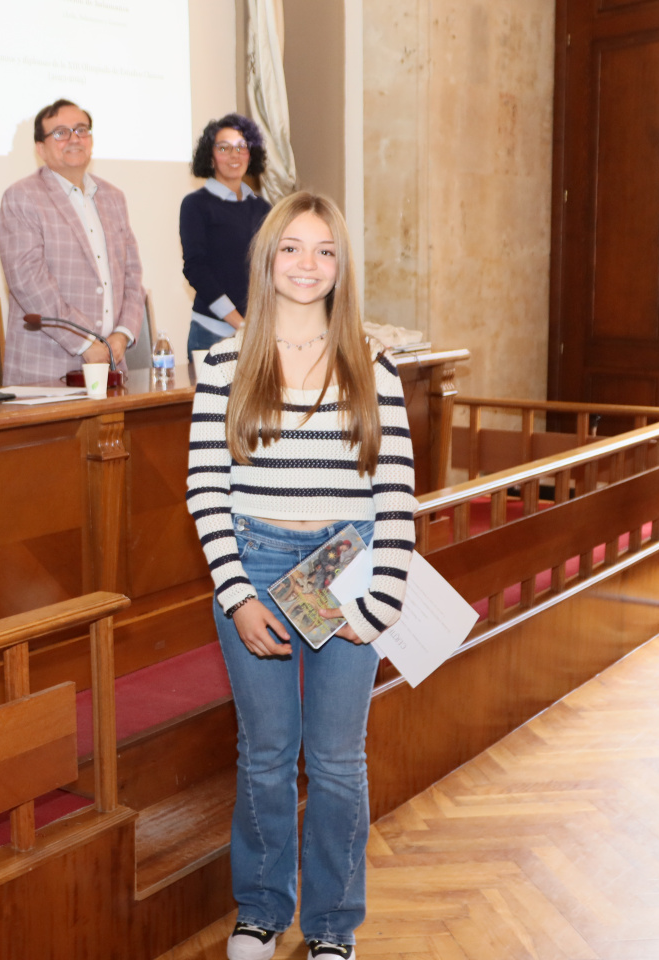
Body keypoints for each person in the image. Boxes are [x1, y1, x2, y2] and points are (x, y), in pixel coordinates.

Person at [186, 191, 415, 960]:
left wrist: (380, 601)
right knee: (267, 754)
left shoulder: (373, 366)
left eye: (324, 250)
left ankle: (331, 928)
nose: (307, 264)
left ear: (341, 266)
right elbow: (206, 487)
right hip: (254, 562)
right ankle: (261, 910)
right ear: (267, 259)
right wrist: (236, 594)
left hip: (347, 568)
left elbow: (397, 494)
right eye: (292, 247)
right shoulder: (225, 362)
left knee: (339, 762)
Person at [0, 99, 146, 386]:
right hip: (46, 370)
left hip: (112, 365)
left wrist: (122, 334)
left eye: (81, 130)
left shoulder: (114, 197)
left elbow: (133, 275)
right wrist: (85, 343)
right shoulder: (22, 197)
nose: (74, 139)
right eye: (60, 133)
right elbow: (28, 282)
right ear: (40, 149)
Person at [179, 114, 273, 354]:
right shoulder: (195, 205)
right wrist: (239, 323)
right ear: (210, 157)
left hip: (258, 332)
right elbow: (196, 269)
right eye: (224, 148)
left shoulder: (263, 208)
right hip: (211, 333)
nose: (235, 155)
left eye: (242, 147)